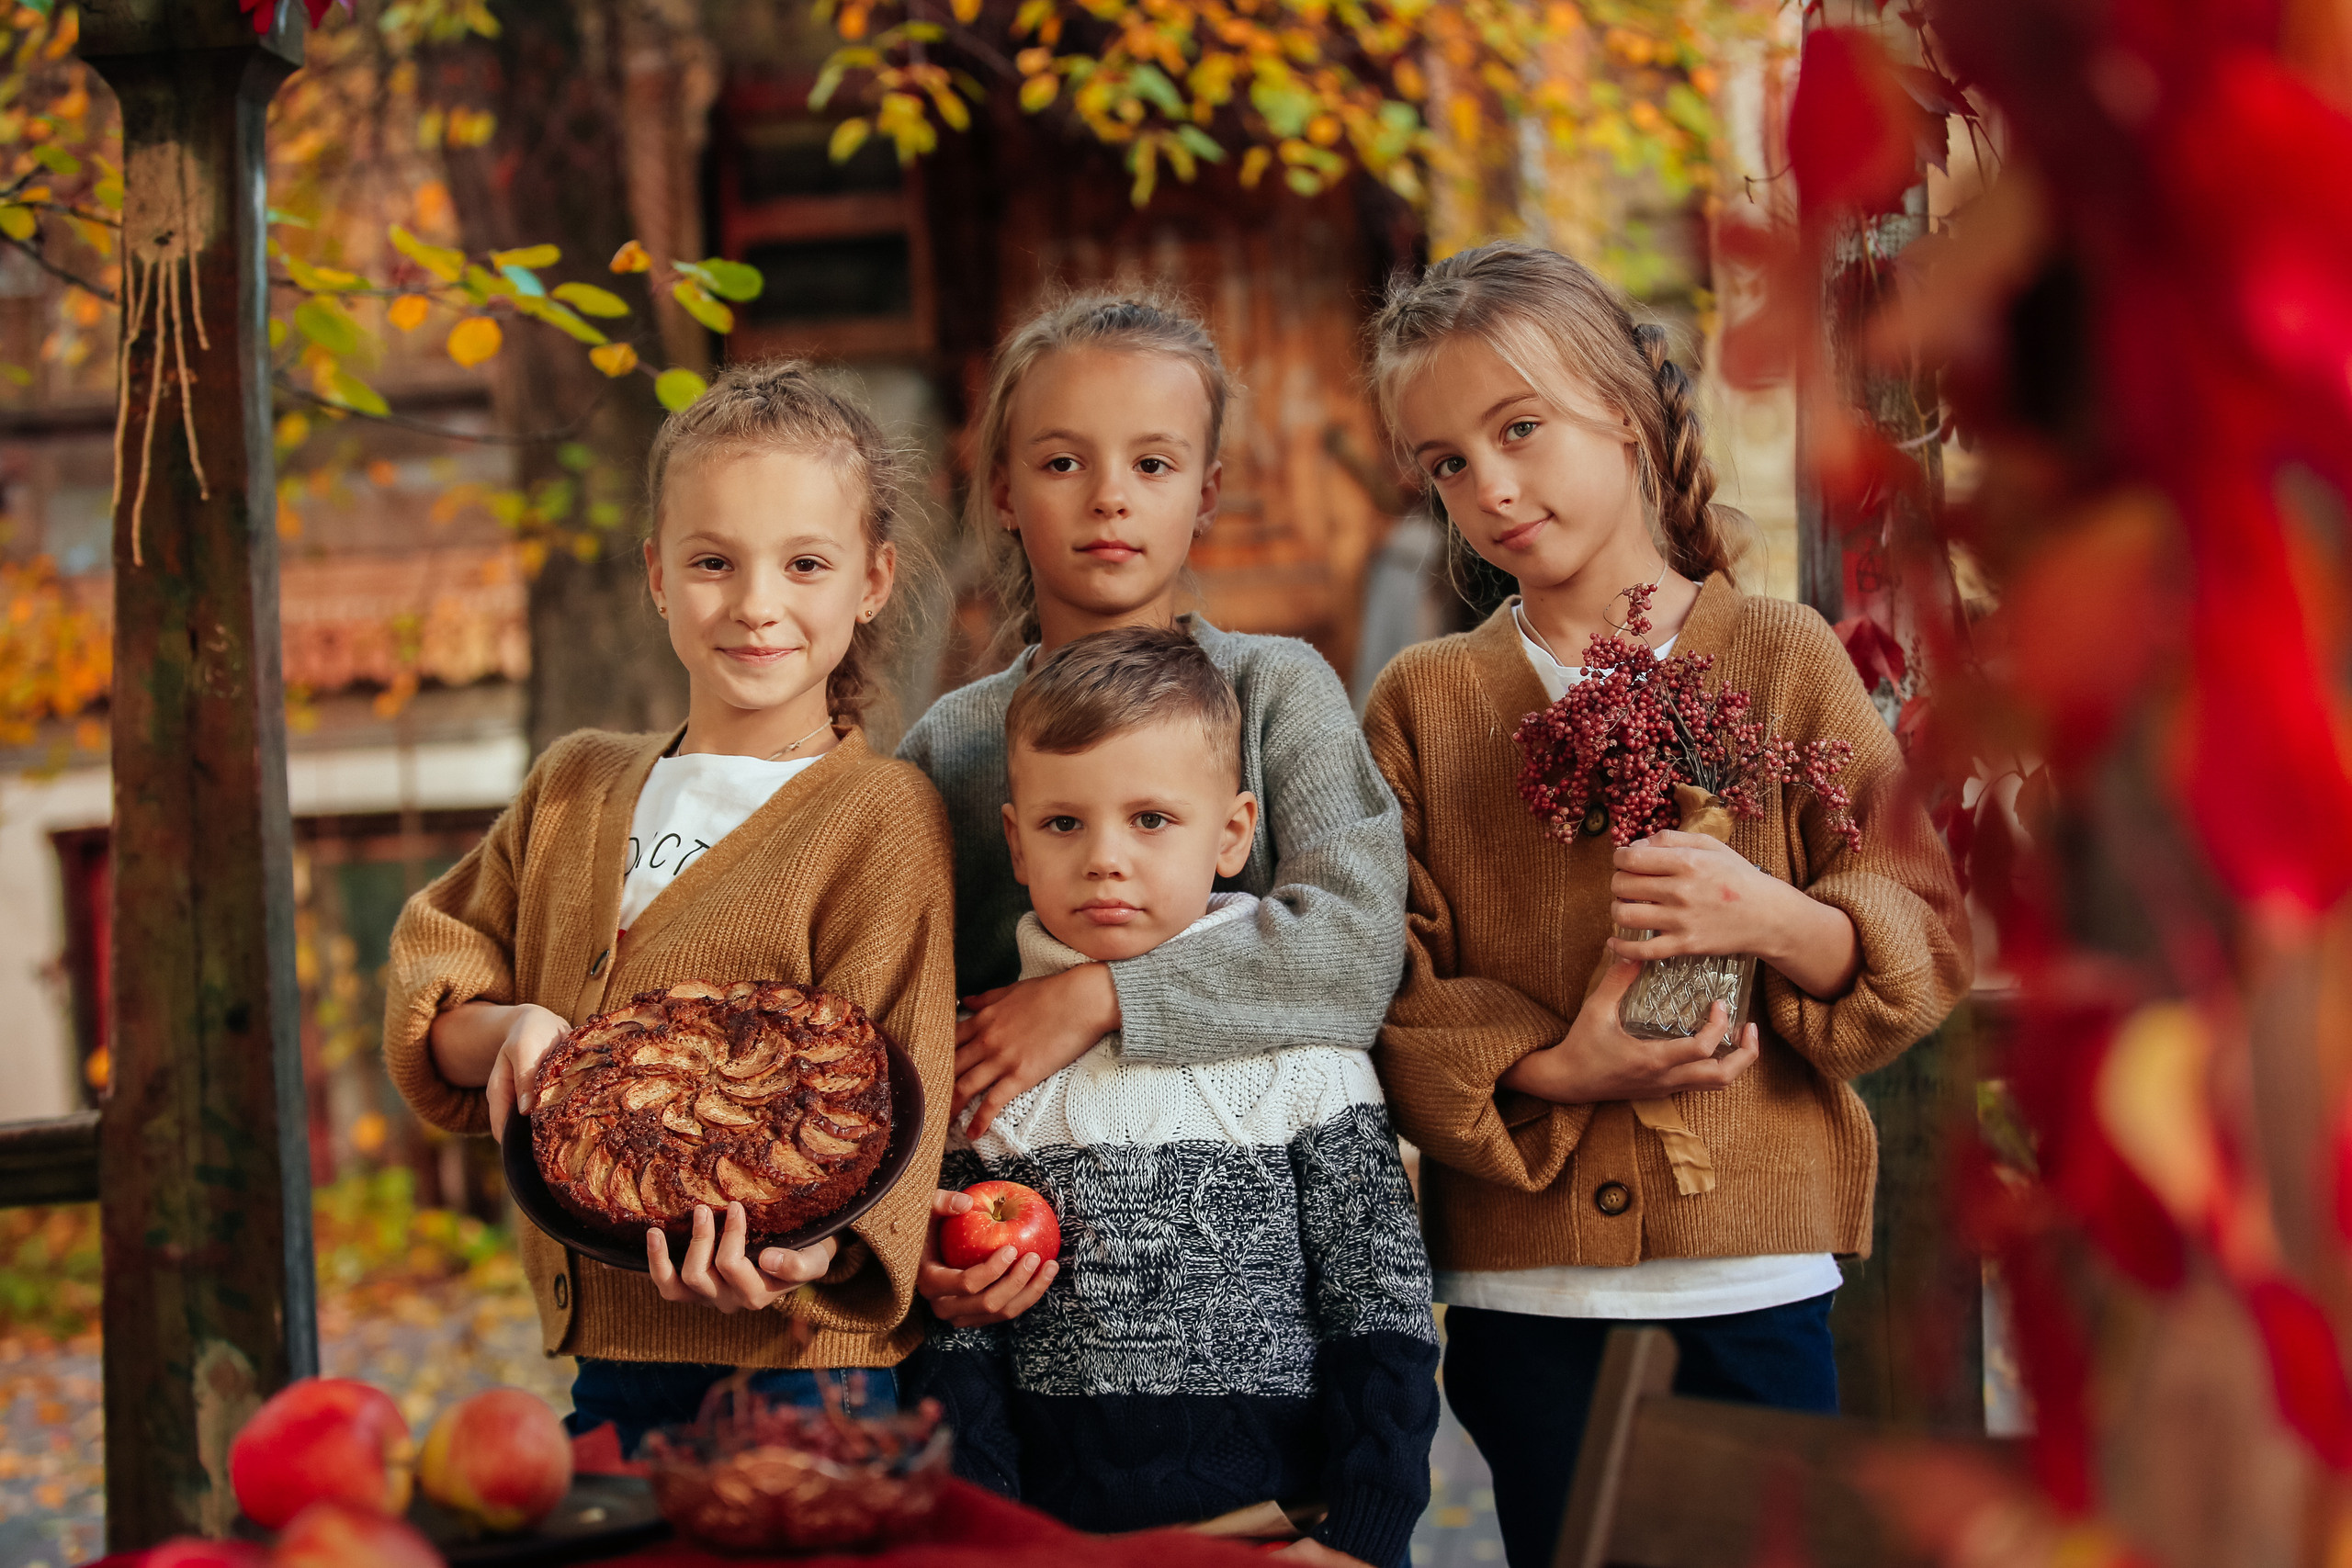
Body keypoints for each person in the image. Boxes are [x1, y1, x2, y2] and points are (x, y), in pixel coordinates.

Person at [1360, 241, 1972, 1568]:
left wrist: (1773, 916)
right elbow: (1385, 981)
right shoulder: (1422, 702)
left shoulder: (1780, 656)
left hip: (1752, 1276)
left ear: (1627, 413)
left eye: (1519, 428)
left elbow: (1922, 917)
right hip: (1525, 1290)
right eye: (1446, 463)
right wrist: (1554, 1068)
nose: (1489, 487)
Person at [381, 362, 956, 1455]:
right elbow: (440, 989)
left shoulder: (878, 817)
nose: (755, 603)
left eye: (804, 563)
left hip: (799, 1373)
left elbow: (895, 1090)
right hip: (613, 1363)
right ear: (656, 573)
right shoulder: (575, 786)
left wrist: (810, 1256)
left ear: (872, 579)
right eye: (712, 561)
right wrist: (510, 1031)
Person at [897, 291, 1407, 1325]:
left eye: (1153, 464)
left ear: (1207, 491)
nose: (1109, 499)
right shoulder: (952, 746)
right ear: (1002, 490)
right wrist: (914, 1246)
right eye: (1061, 462)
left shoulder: (1276, 694)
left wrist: (1101, 997)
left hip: (1257, 1264)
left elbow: (1355, 950)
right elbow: (897, 1014)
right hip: (1024, 1272)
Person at [907, 626, 1438, 1568]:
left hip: (1289, 1537)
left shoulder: (1305, 1062)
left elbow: (1380, 1309)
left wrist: (1362, 1535)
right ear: (1014, 843)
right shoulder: (984, 1064)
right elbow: (958, 1360)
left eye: (1151, 819)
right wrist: (991, 1539)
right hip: (1054, 1546)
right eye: (1063, 824)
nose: (1105, 858)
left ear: (1233, 834)